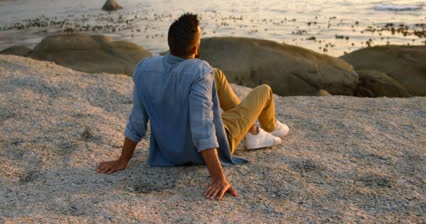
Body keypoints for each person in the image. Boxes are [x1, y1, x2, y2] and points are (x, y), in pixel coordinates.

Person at [96, 13, 289, 200]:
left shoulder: (145, 69)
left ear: (169, 43)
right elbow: (202, 128)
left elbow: (137, 121)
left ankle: (252, 130)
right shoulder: (199, 71)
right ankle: (268, 128)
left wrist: (123, 160)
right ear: (196, 47)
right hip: (202, 151)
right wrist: (218, 178)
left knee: (217, 75)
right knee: (265, 90)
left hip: (168, 152)